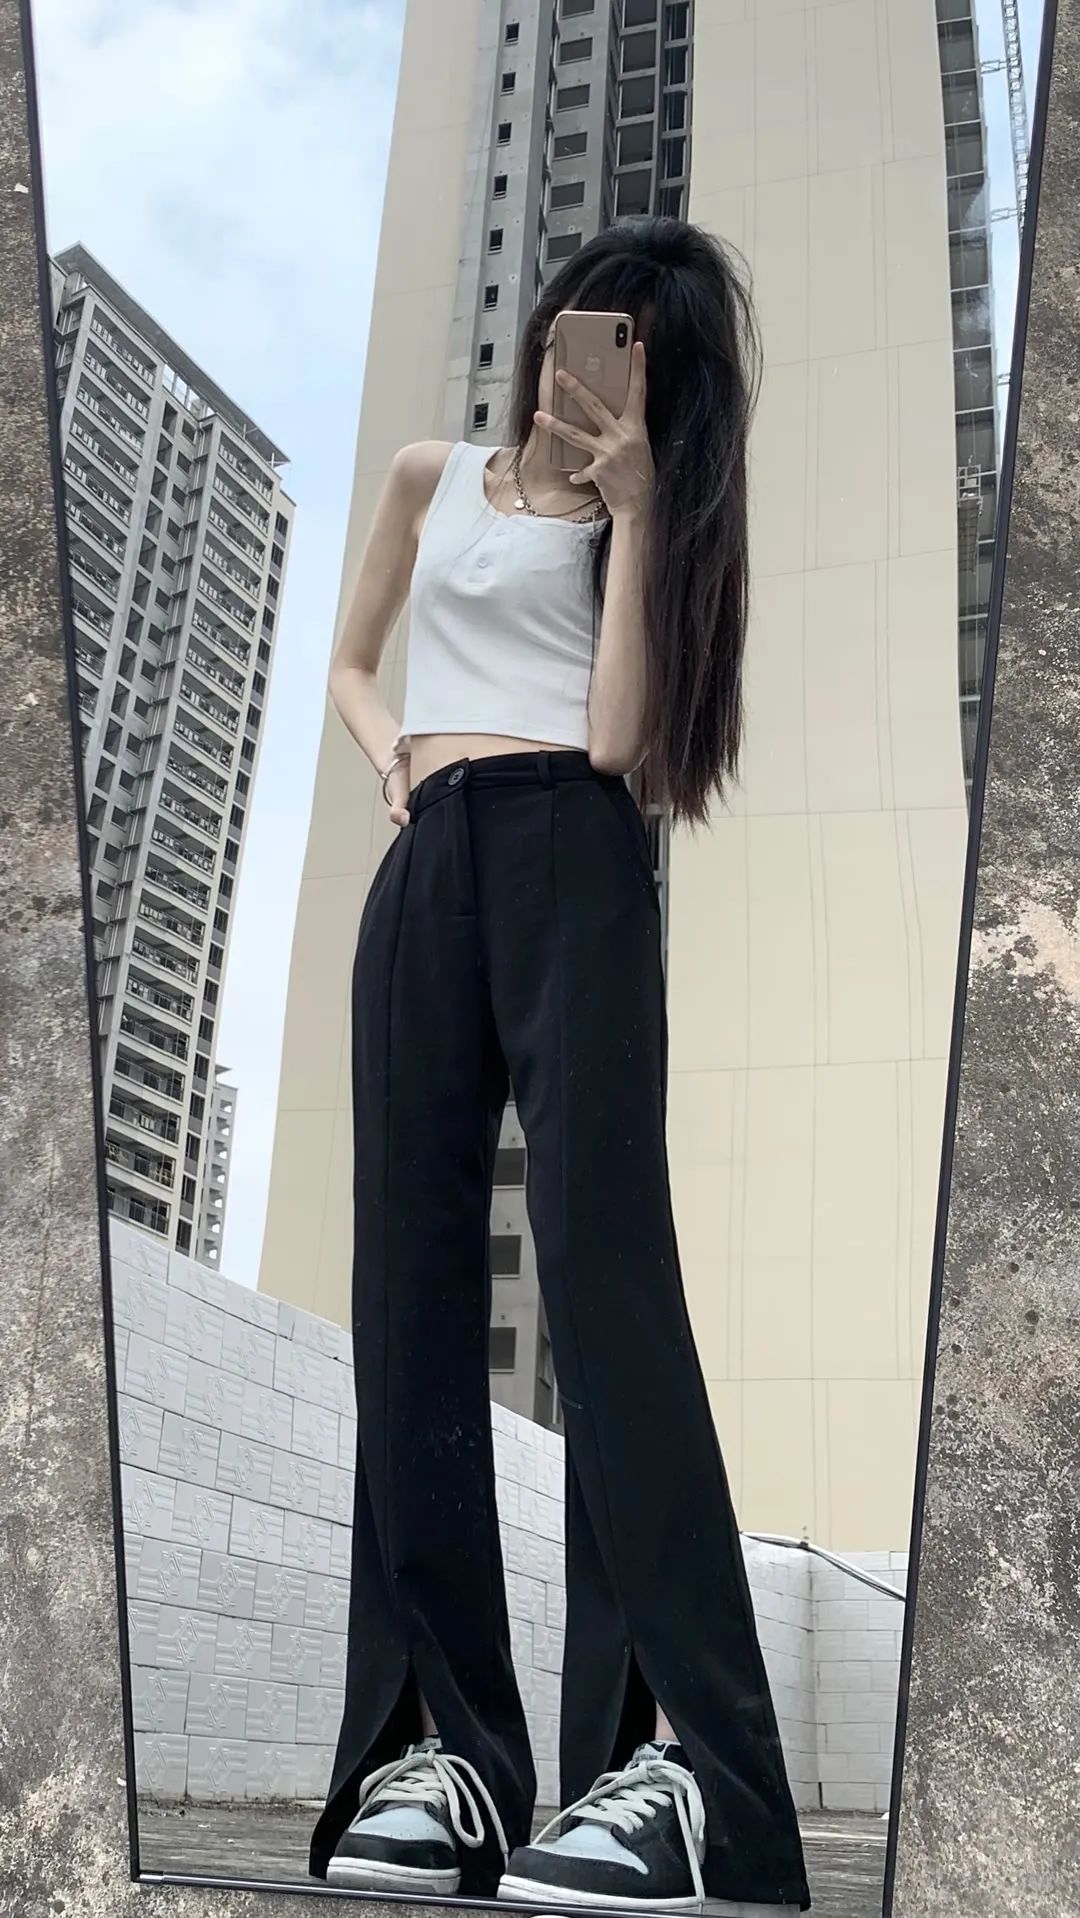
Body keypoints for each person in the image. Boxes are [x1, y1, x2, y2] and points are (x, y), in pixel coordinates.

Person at [308, 216, 811, 1916]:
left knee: (605, 1284)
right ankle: (447, 1752)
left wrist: (644, 509)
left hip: (572, 853)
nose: (590, 370)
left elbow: (613, 739)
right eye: (591, 330)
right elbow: (352, 662)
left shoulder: (640, 531)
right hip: (427, 868)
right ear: (549, 325)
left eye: (636, 358)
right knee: (408, 1295)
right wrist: (392, 757)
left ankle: (678, 1770)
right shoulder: (429, 475)